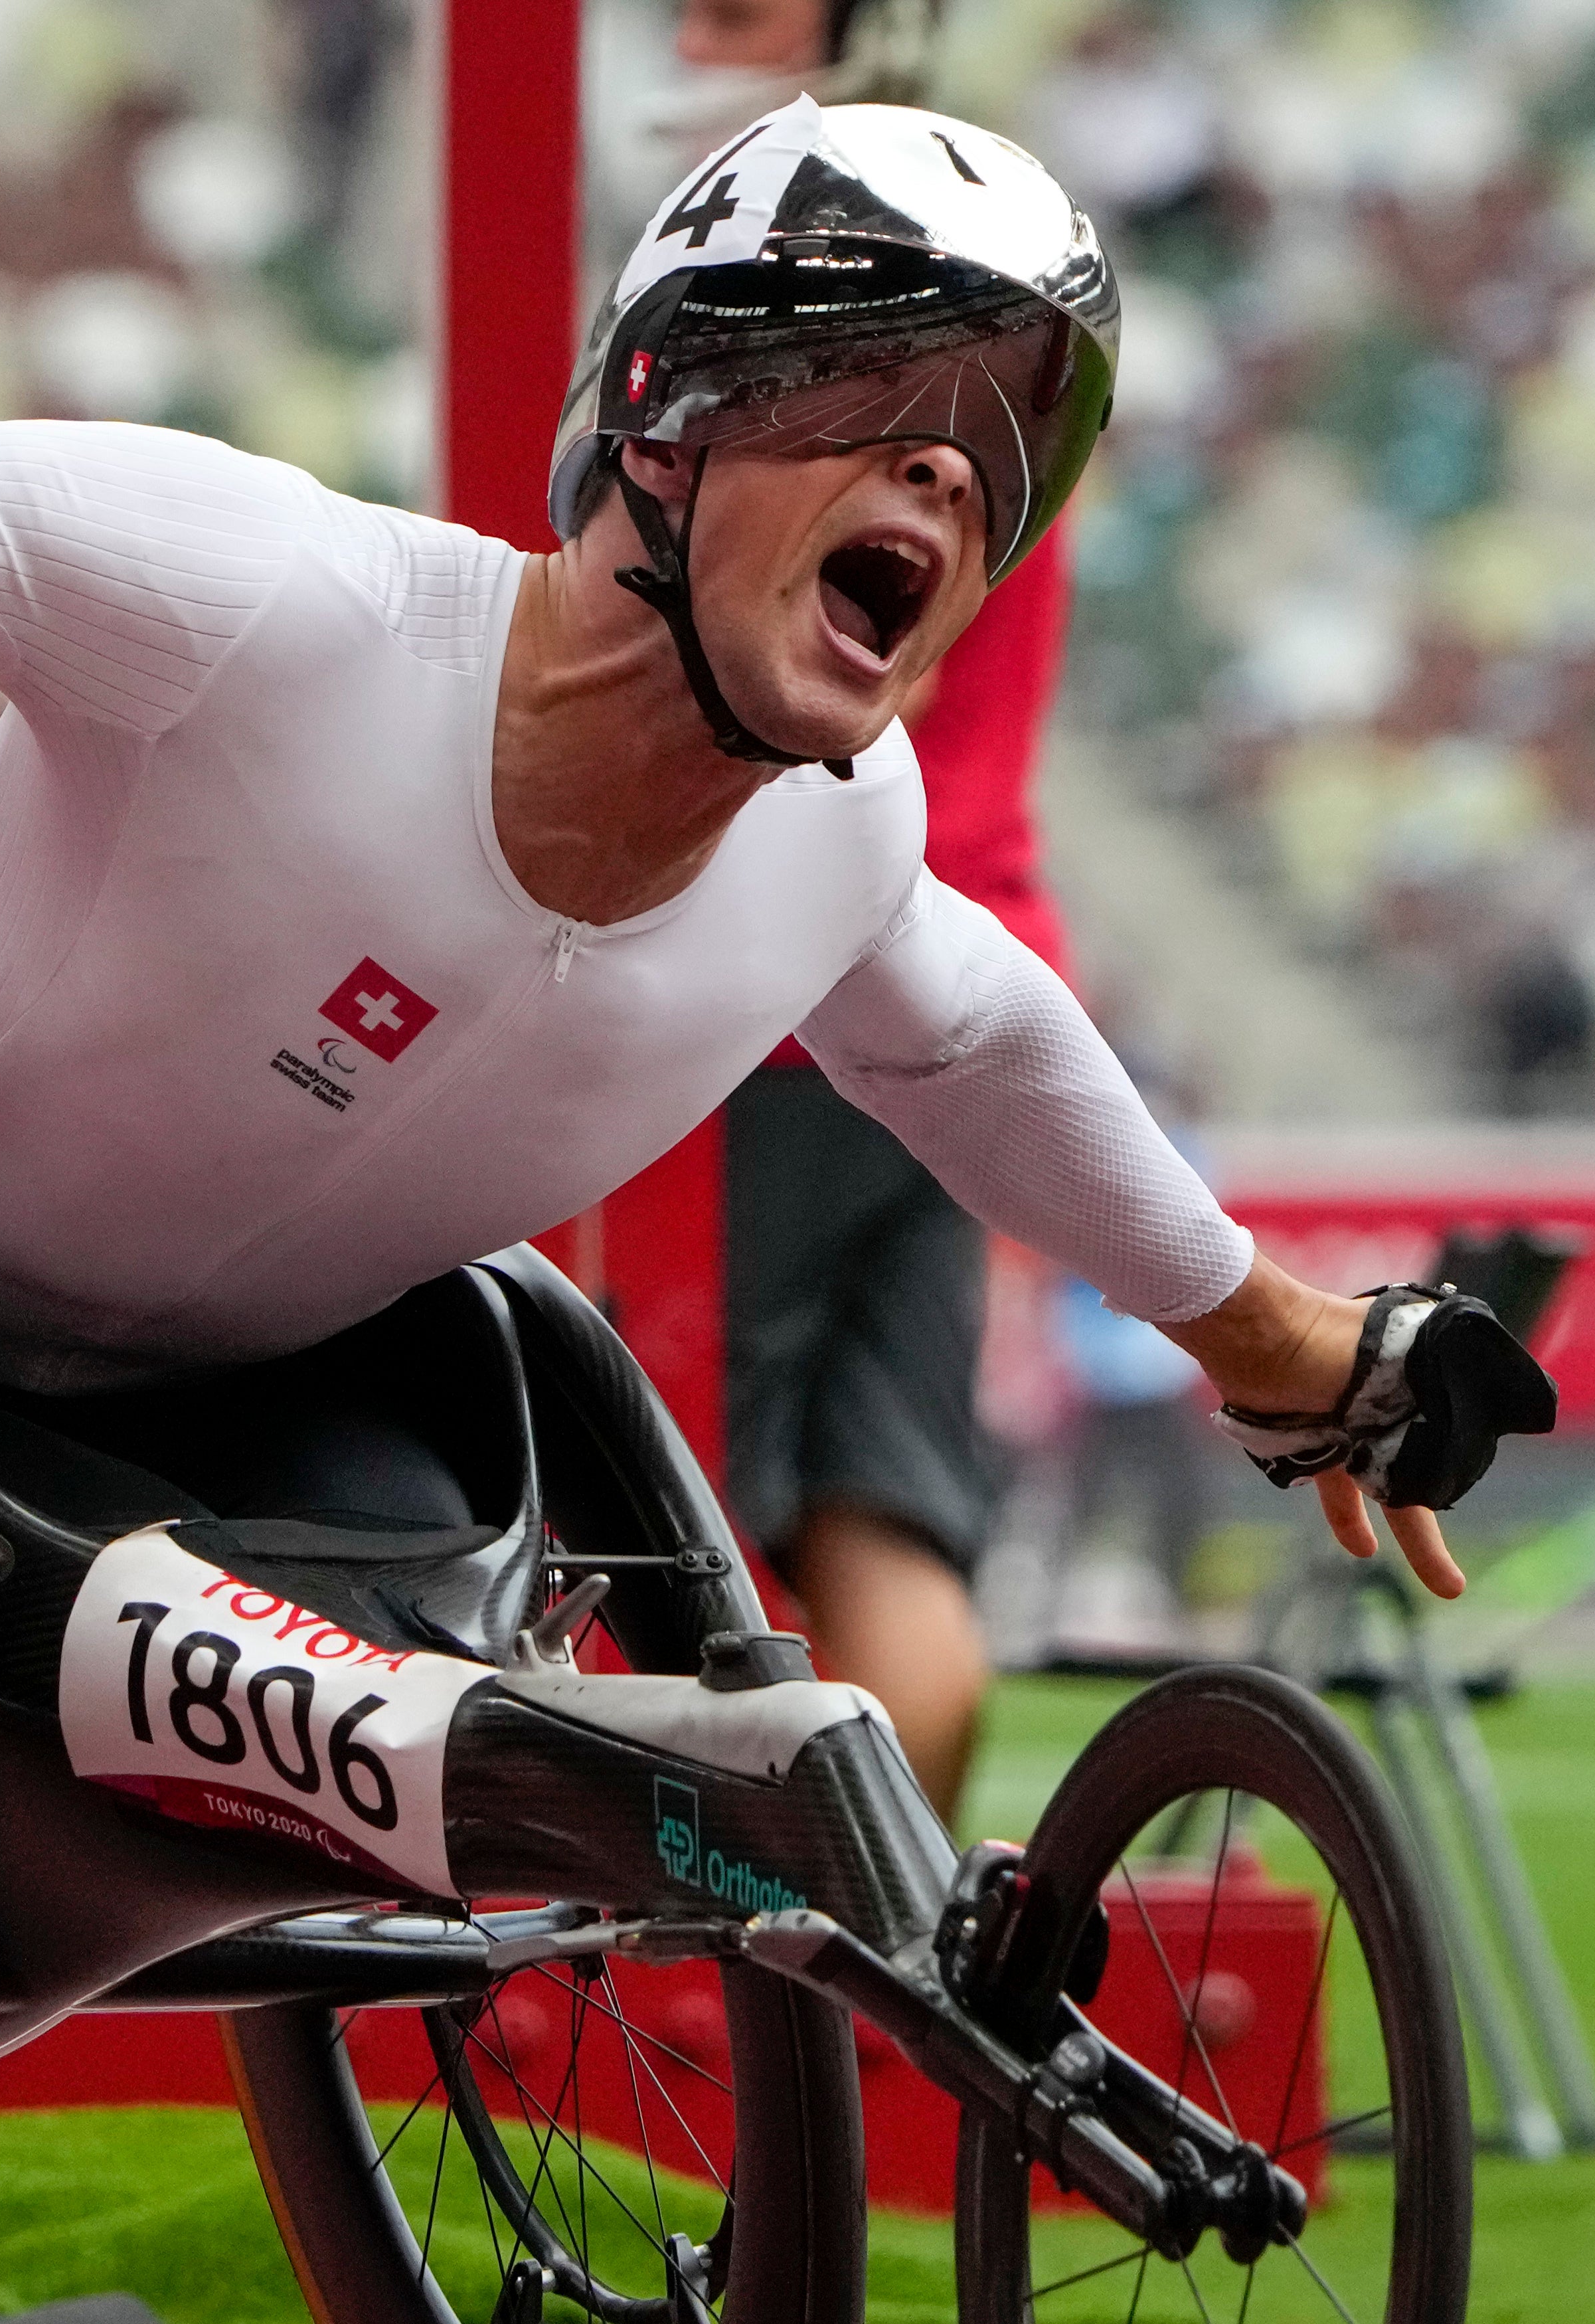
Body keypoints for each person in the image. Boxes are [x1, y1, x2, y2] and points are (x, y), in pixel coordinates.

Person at [0, 106, 1544, 1686]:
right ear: (662, 413)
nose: (952, 467)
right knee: (445, 1697)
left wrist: (1281, 1350)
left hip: (268, 1450)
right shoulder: (259, 600)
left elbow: (978, 1039)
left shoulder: (845, 845)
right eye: (880, 390)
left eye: (1003, 443)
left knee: (581, 1670)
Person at [614, 0, 1084, 1812]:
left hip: (792, 961)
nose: (687, 36)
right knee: (885, 1511)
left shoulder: (805, 312)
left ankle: (748, 1974)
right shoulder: (1014, 311)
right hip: (969, 958)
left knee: (691, 1515)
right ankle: (891, 1956)